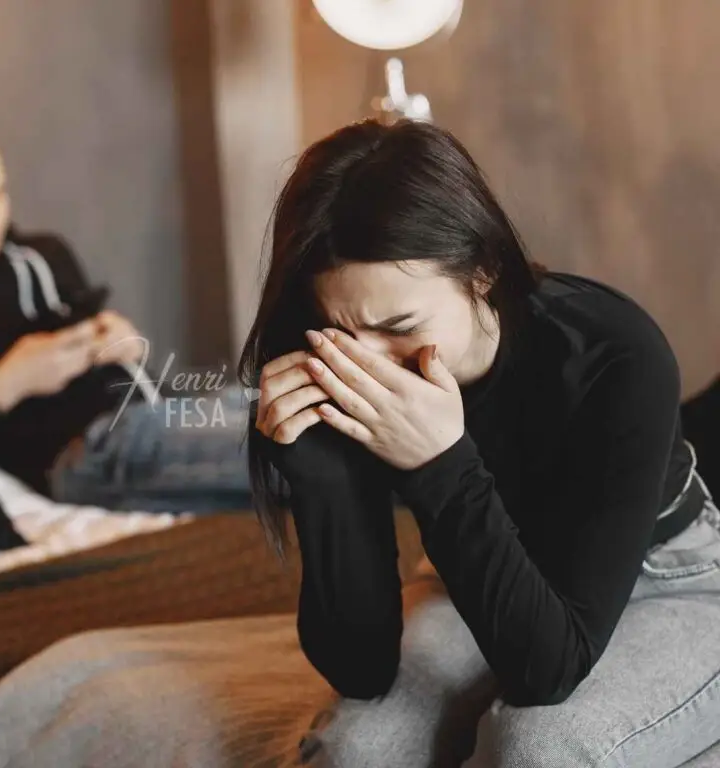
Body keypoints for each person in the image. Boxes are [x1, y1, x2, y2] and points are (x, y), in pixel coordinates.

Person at [241, 118, 720, 765]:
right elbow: (361, 668)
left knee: (538, 746)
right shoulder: (339, 365)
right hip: (483, 561)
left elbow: (546, 672)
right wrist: (317, 468)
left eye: (400, 325)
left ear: (483, 272)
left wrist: (440, 462)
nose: (373, 364)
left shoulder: (612, 352)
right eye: (345, 332)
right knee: (358, 745)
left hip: (667, 575)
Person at [0, 121, 250, 512]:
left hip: (166, 405)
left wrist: (120, 341)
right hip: (88, 447)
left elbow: (112, 346)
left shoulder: (47, 253)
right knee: (296, 449)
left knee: (298, 404)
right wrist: (6, 384)